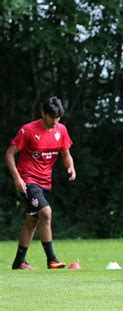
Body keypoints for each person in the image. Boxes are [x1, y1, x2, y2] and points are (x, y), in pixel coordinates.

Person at [6, 97, 76, 270]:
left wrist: (71, 167)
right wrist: (17, 178)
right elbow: (9, 154)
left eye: (58, 117)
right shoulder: (28, 130)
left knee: (32, 221)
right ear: (43, 114)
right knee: (46, 212)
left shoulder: (61, 130)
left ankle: (19, 262)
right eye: (51, 117)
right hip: (28, 180)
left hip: (46, 183)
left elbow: (65, 153)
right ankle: (52, 259)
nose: (55, 121)